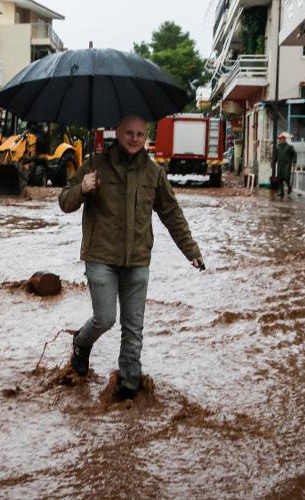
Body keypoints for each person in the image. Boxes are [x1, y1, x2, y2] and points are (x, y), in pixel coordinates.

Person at [59, 115, 204, 401]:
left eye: (140, 134)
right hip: (100, 257)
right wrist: (82, 188)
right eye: (129, 133)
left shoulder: (154, 173)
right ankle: (80, 342)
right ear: (118, 132)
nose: (134, 138)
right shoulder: (95, 166)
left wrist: (192, 252)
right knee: (105, 318)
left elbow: (172, 215)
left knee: (134, 327)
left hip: (138, 260)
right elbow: (65, 202)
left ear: (146, 136)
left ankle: (129, 385)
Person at [272, 132, 297, 198]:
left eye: (282, 139)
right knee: (280, 179)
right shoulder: (278, 148)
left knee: (286, 178)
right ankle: (282, 193)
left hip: (287, 165)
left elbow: (294, 154)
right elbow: (275, 157)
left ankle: (289, 187)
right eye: (280, 139)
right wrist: (273, 163)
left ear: (285, 140)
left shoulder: (289, 147)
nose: (281, 140)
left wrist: (294, 160)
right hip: (280, 165)